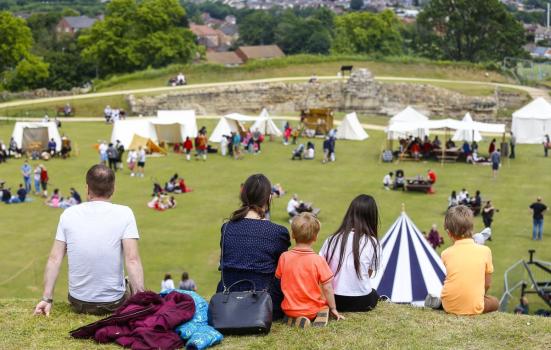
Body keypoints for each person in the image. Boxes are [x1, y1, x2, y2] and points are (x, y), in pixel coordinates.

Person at [33, 164, 144, 316]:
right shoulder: (125, 214)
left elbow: (54, 258)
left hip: (78, 302)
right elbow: (132, 260)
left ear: (87, 189)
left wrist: (47, 299)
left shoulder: (68, 214)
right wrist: (142, 301)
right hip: (113, 303)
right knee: (128, 281)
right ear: (113, 189)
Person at [215, 174, 291, 320]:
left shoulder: (227, 228)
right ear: (268, 198)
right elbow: (282, 269)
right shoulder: (278, 232)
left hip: (227, 302)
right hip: (265, 304)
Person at [425, 205, 499, 315]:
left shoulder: (445, 254)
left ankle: (441, 304)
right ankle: (468, 302)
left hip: (449, 304)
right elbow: (487, 284)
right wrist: (479, 295)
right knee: (495, 302)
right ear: (472, 228)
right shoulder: (485, 251)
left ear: (449, 233)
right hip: (474, 306)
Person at [277, 213, 344, 328]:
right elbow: (327, 288)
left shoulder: (284, 257)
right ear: (315, 237)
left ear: (293, 235)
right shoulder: (318, 260)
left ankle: (293, 319)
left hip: (288, 308)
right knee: (324, 305)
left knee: (292, 312)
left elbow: (279, 278)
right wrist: (333, 308)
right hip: (312, 310)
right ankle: (320, 314)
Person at [320, 195, 380, 313]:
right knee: (374, 294)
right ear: (372, 217)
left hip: (334, 298)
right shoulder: (373, 242)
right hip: (362, 301)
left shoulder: (332, 239)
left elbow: (321, 268)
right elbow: (368, 273)